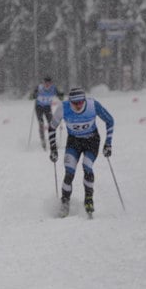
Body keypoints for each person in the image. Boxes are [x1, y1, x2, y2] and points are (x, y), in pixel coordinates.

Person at [48, 87, 114, 218]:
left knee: (87, 166)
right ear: (70, 101)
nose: (78, 106)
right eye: (75, 103)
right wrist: (53, 148)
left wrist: (108, 143)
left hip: (92, 141)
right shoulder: (63, 107)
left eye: (80, 102)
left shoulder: (92, 105)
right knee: (69, 172)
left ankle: (88, 199)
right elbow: (51, 127)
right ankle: (65, 203)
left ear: (84, 100)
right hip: (74, 142)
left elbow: (110, 121)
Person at [28, 76, 64, 150]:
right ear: (43, 83)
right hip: (39, 107)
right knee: (41, 123)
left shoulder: (54, 88)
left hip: (47, 107)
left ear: (51, 83)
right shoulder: (39, 88)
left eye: (49, 83)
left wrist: (61, 94)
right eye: (45, 83)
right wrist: (33, 95)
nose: (47, 85)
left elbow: (61, 97)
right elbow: (30, 98)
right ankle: (43, 140)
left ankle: (52, 140)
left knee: (51, 124)